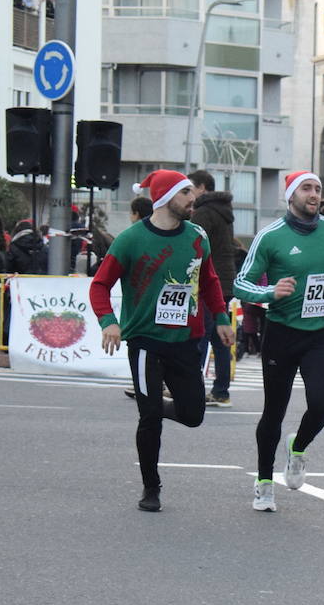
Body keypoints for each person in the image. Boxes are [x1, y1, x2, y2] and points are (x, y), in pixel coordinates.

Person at [90, 170, 233, 512]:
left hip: (186, 339)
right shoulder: (131, 239)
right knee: (149, 418)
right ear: (166, 197)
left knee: (194, 414)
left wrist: (222, 317)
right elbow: (99, 285)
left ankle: (154, 404)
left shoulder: (198, 236)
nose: (192, 199)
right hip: (145, 340)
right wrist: (109, 322)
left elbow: (210, 280)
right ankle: (151, 487)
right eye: (185, 193)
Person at [233, 171, 324, 513]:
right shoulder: (270, 237)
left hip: (319, 334)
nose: (314, 194)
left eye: (317, 189)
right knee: (274, 411)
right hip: (282, 333)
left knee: (321, 405)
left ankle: (298, 447)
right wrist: (271, 291)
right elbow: (241, 283)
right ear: (291, 196)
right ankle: (265, 482)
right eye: (306, 189)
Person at [188, 169, 236, 406]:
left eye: (190, 188)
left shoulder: (204, 212)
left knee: (200, 334)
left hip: (208, 280)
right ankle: (221, 390)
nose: (188, 194)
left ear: (202, 188)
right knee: (220, 337)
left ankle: (190, 385)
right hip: (225, 279)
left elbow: (193, 244)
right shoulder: (224, 212)